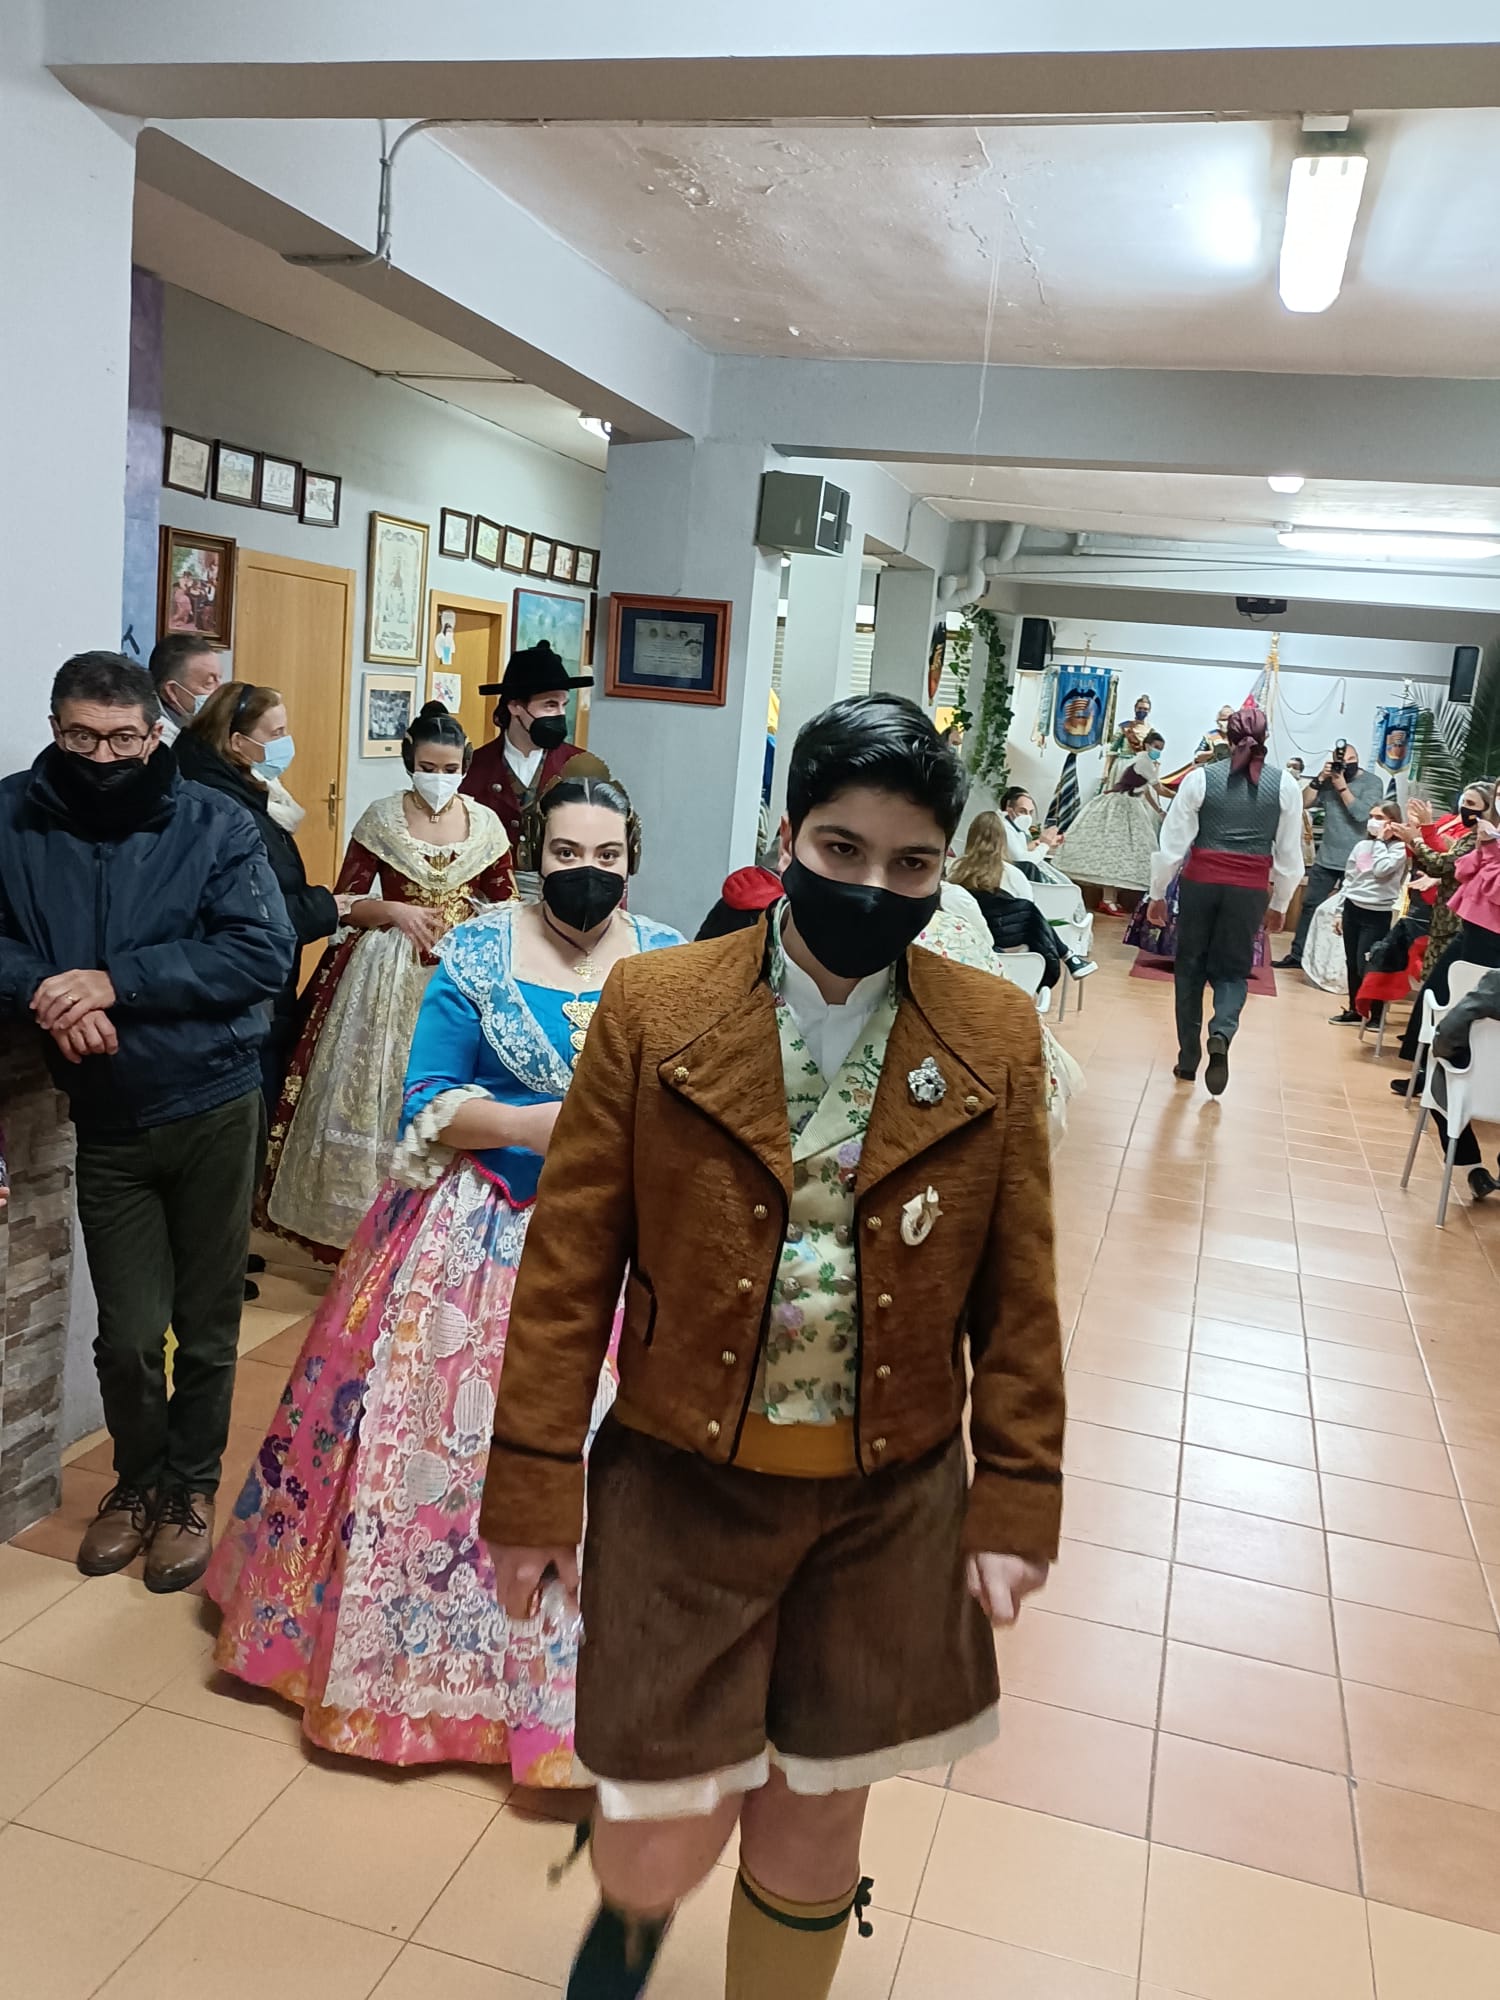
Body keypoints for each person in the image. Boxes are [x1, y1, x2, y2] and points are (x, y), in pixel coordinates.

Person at [480, 694, 1065, 2000]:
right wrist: (532, 1485)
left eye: (912, 863)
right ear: (789, 835)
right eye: (842, 849)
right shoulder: (657, 1004)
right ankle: (626, 1921)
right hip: (682, 1482)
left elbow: (1019, 1294)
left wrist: (1019, 1493)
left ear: (944, 867)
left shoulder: (992, 1034)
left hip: (889, 1500)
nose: (873, 885)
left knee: (817, 1817)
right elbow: (568, 1268)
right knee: (656, 1840)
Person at [205, 769, 683, 1773]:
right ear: (534, 856)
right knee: (438, 1442)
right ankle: (419, 1671)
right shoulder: (479, 949)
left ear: (631, 859)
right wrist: (536, 1126)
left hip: (627, 1239)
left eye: (606, 855)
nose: (588, 871)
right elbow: (426, 1098)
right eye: (566, 853)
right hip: (480, 1232)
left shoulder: (669, 962)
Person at [0, 653, 294, 1589]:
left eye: (123, 739)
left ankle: (189, 1492)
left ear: (155, 732)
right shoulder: (11, 815)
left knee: (205, 1325)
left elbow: (261, 952)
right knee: (128, 1335)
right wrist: (47, 989)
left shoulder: (213, 821)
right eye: (81, 738)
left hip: (212, 1103)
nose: (103, 757)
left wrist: (115, 982)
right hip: (108, 1117)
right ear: (56, 729)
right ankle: (135, 1482)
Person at [259, 702, 515, 1260]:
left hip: (458, 971)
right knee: (375, 1092)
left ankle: (439, 1231)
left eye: (450, 768)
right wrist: (394, 911)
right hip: (385, 973)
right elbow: (346, 901)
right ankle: (366, 1230)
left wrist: (475, 932)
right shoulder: (381, 819)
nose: (439, 778)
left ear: (466, 765)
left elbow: (506, 903)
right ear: (409, 762)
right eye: (428, 767)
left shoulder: (486, 825)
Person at [177, 684, 344, 1110]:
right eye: (276, 733)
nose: (286, 743)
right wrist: (326, 907)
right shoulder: (224, 808)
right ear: (237, 743)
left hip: (261, 995)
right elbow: (256, 912)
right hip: (245, 1002)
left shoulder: (245, 789)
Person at [1147, 703, 1303, 1096]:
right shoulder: (1285, 786)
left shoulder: (1200, 779)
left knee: (1190, 968)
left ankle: (1187, 1060)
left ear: (1227, 738)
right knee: (1233, 971)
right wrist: (1280, 904)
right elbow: (1289, 856)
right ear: (1266, 739)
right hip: (1249, 890)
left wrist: (1157, 893)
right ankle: (1221, 1032)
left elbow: (1172, 845)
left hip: (1200, 883)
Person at [1387, 785, 1490, 1094]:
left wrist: (1418, 838)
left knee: (1447, 998)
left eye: (1472, 802)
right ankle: (1423, 1069)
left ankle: (1432, 1075)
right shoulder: (1478, 834)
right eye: (1463, 800)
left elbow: (1446, 865)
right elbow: (1455, 864)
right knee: (1435, 992)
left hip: (1468, 926)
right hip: (1454, 918)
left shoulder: (1484, 837)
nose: (1464, 807)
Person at [461, 641, 594, 878]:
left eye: (563, 705)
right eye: (550, 705)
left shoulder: (581, 767)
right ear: (515, 706)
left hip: (561, 891)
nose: (560, 715)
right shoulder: (472, 768)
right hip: (489, 891)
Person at [950, 810, 1095, 986]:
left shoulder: (955, 869)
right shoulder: (1013, 874)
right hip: (1010, 943)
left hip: (967, 940)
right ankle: (1069, 956)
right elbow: (1028, 912)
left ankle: (1069, 956)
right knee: (1031, 912)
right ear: (1003, 840)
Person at [1276, 741, 1387, 968]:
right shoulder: (1328, 782)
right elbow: (1302, 803)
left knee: (1349, 914)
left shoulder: (1372, 783)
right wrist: (1319, 779)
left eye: (1351, 760)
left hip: (1358, 860)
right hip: (1327, 857)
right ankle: (1298, 955)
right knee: (1310, 906)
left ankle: (1341, 963)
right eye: (1342, 761)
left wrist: (1342, 787)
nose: (1347, 765)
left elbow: (1361, 814)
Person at [1054, 730, 1168, 914]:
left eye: (1161, 749)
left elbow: (1146, 790)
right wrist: (1180, 794)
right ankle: (1108, 899)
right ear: (1147, 745)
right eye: (1156, 747)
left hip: (1130, 802)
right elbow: (1159, 789)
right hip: (1121, 804)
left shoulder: (1142, 760)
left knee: (1121, 851)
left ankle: (1110, 898)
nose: (1158, 751)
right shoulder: (1143, 762)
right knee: (1114, 849)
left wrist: (1159, 810)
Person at [1327, 804, 1409, 1024]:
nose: (1373, 821)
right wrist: (1339, 911)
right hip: (1353, 908)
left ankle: (1375, 1014)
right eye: (1371, 816)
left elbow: (1382, 870)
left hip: (1376, 913)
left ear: (1393, 821)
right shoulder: (1362, 845)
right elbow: (1350, 879)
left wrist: (1381, 842)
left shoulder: (1400, 849)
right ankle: (1355, 1009)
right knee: (1352, 963)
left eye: (1380, 817)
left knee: (1370, 964)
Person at [1427, 966, 1500, 1200]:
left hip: (1481, 1088)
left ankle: (1472, 1168)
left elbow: (1451, 1028)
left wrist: (1444, 1053)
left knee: (1439, 1078)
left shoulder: (1496, 982)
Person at [148, 632, 221, 745]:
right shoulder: (158, 740)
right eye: (209, 683)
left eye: (219, 679)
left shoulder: (196, 725)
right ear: (172, 691)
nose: (221, 691)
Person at [999, 785, 1064, 874]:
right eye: (1022, 811)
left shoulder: (1027, 827)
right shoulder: (1003, 827)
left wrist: (1048, 841)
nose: (1028, 816)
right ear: (1009, 808)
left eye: (1030, 812)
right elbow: (1023, 858)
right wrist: (1044, 844)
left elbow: (1031, 843)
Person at [1102, 693, 1154, 787]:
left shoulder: (1151, 731)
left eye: (1145, 709)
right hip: (1123, 765)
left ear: (1149, 711)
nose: (1142, 711)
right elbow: (1112, 750)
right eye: (1140, 708)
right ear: (1135, 709)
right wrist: (1106, 771)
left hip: (1141, 767)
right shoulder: (1125, 727)